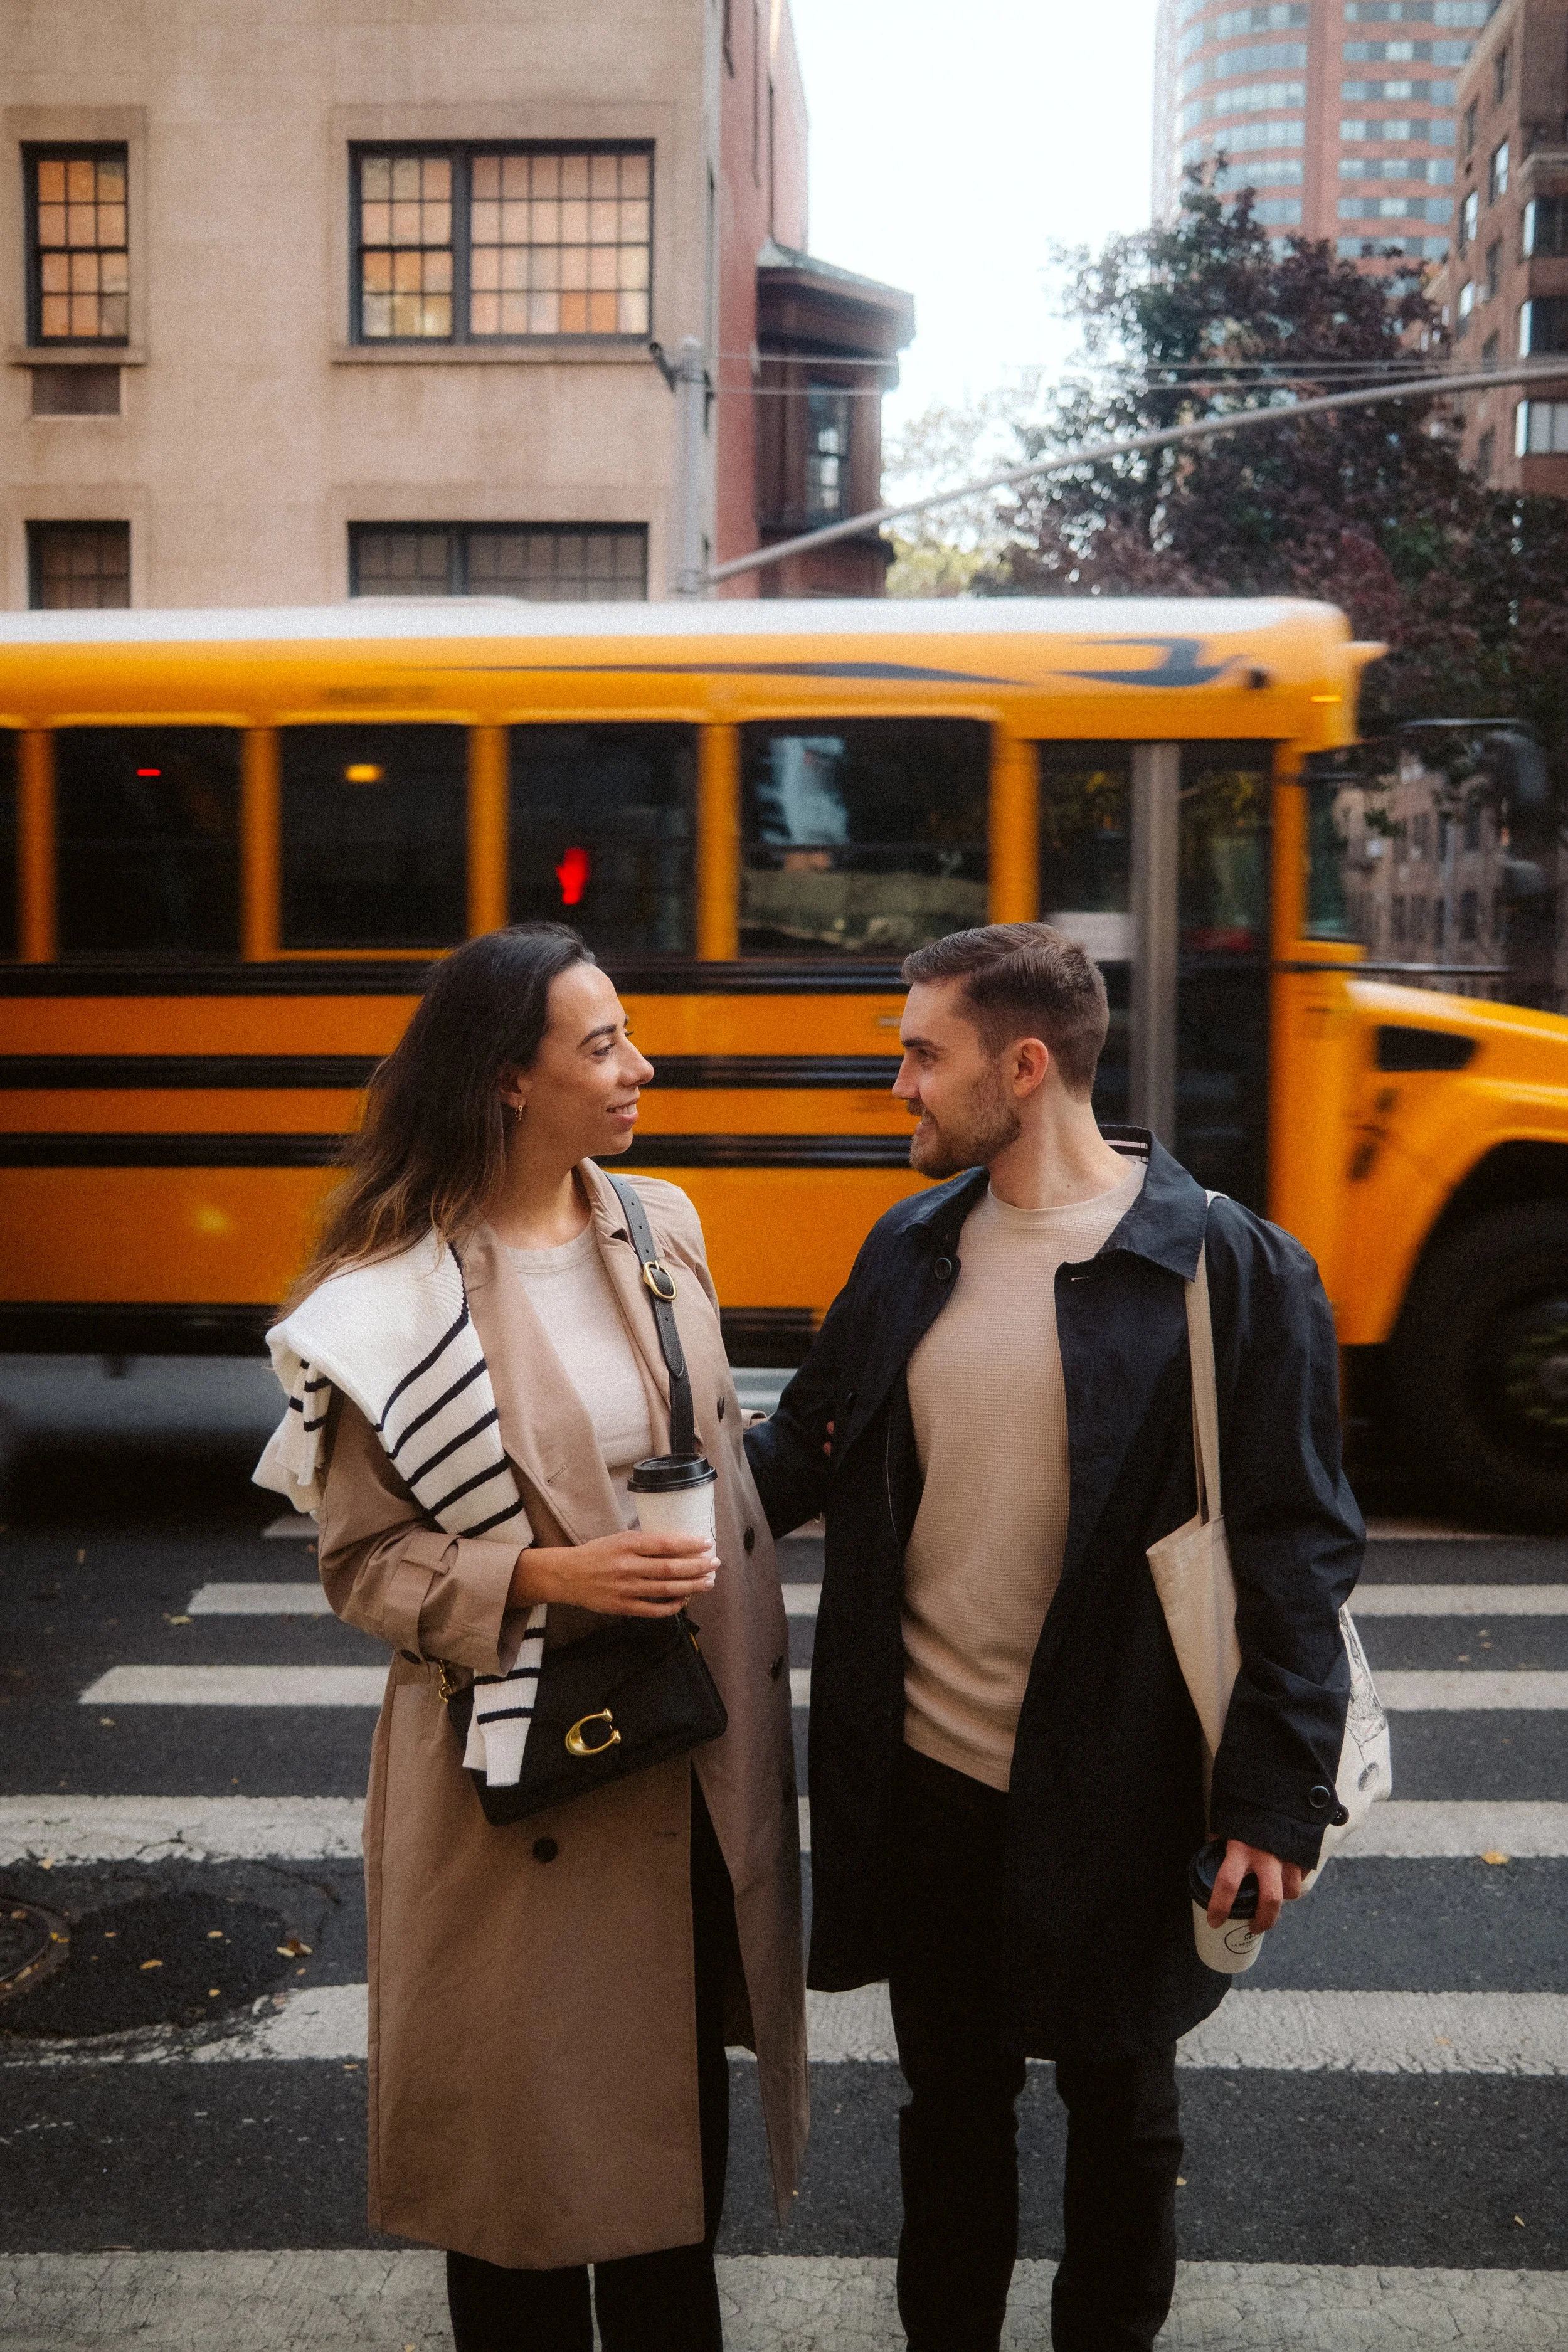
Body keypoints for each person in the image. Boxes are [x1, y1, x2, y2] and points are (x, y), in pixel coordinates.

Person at [745, 922, 1363, 2352]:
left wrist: (1273, 1798)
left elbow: (1292, 1548)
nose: (895, 1084)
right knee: (947, 2122)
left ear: (1022, 1068)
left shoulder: (1224, 1267)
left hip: (1130, 1787)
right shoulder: (908, 1249)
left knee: (1121, 2121)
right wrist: (589, 1530)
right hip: (930, 1786)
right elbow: (803, 1445)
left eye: (919, 1054)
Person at [255, 923, 806, 2352]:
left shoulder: (660, 1226)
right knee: (518, 2216)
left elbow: (717, 1457)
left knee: (670, 2199)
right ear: (510, 1078)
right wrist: (544, 1576)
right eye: (602, 1044)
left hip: (674, 1765)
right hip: (517, 1794)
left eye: (626, 1035)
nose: (639, 1065)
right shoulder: (393, 1303)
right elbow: (364, 1565)